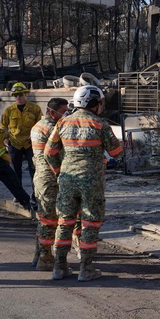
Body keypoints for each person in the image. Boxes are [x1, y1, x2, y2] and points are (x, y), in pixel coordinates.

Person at [45, 85, 123, 282]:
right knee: (90, 223)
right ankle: (86, 269)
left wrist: (59, 171)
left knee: (65, 222)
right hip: (92, 182)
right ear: (94, 104)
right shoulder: (99, 124)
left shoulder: (62, 123)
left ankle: (59, 267)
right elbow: (116, 153)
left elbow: (49, 152)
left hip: (67, 180)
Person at [30, 97, 68, 271]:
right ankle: (45, 259)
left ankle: (39, 254)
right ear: (52, 112)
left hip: (40, 176)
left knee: (43, 217)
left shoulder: (37, 126)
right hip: (51, 178)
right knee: (49, 219)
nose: (65, 115)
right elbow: (56, 154)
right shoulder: (54, 129)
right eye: (64, 111)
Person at [1, 82, 42, 190]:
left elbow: (41, 125)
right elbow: (3, 126)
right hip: (14, 144)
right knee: (15, 171)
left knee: (34, 169)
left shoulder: (35, 109)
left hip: (30, 143)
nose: (18, 97)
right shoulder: (8, 111)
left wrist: (35, 136)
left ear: (25, 94)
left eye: (20, 94)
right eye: (16, 95)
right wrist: (5, 139)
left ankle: (36, 193)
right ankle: (19, 194)